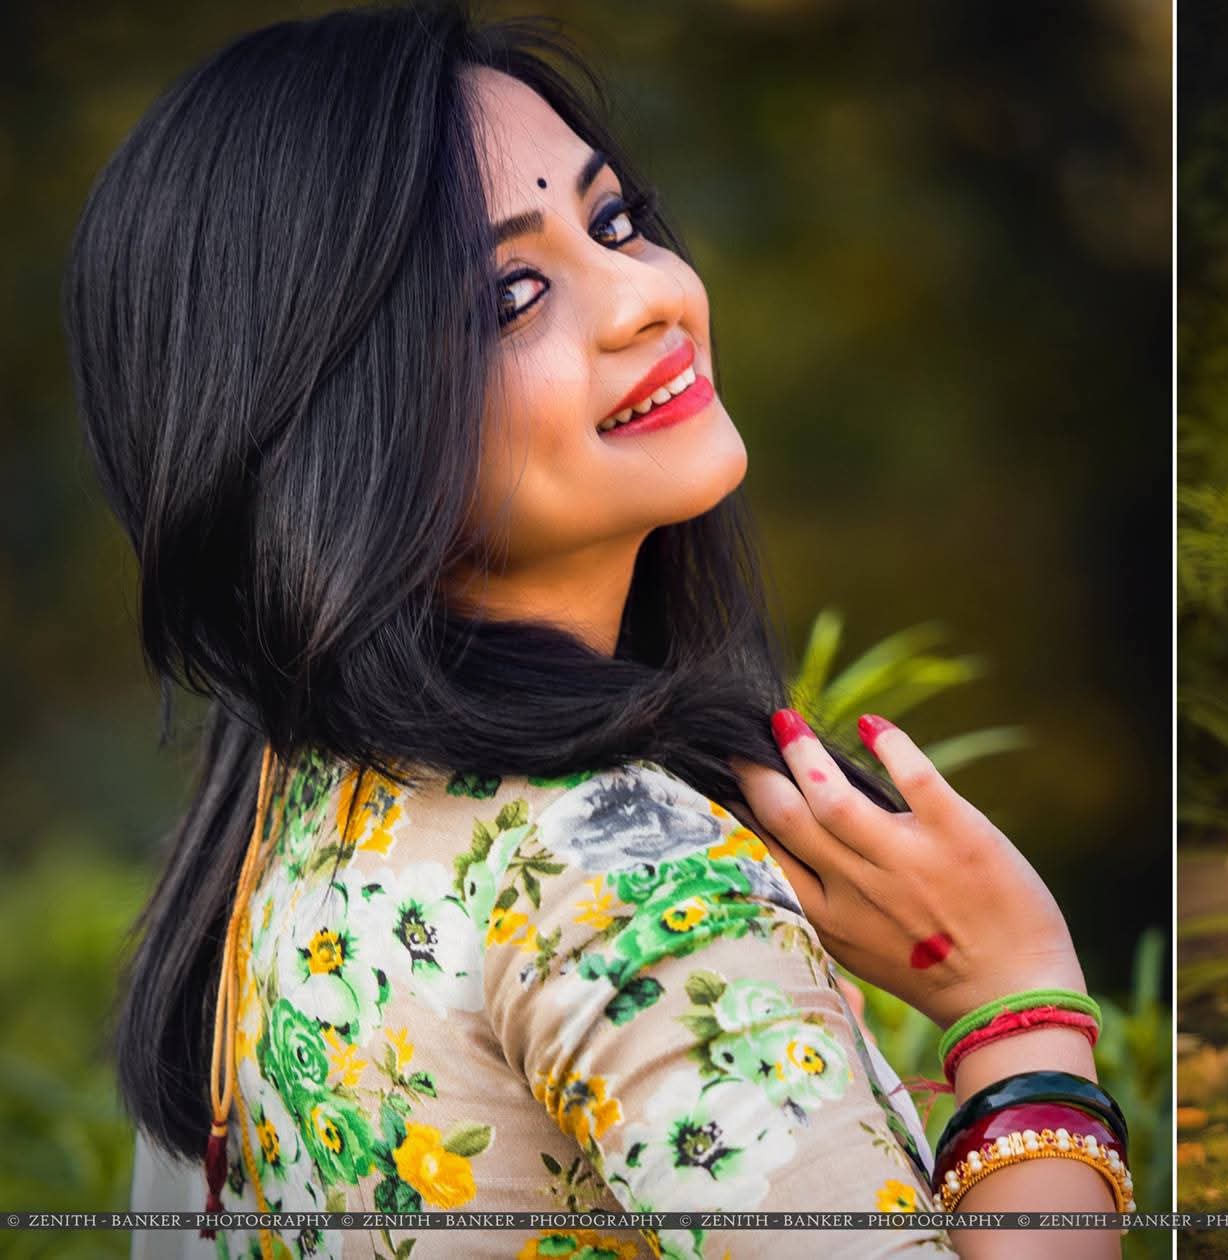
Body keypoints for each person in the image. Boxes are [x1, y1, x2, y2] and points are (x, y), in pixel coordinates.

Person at [74, 5, 1133, 1257]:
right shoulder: (620, 878)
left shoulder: (280, 805)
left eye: (615, 220)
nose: (646, 297)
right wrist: (1018, 1018)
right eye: (512, 294)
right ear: (324, 424)